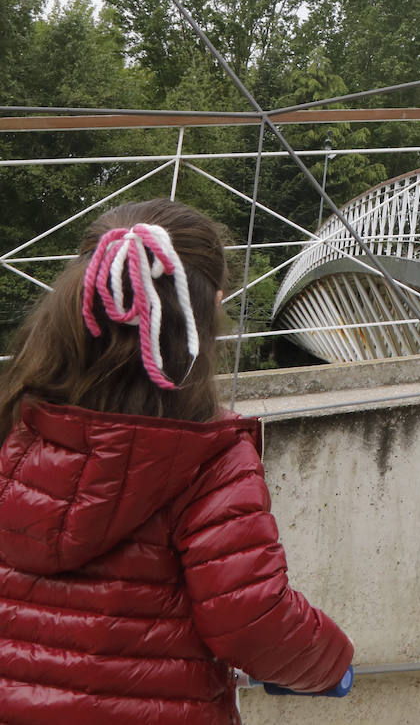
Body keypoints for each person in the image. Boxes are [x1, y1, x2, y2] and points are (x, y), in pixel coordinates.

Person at [0, 199, 353, 724]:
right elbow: (254, 621)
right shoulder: (207, 453)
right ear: (207, 307)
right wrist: (332, 663)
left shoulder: (16, 425)